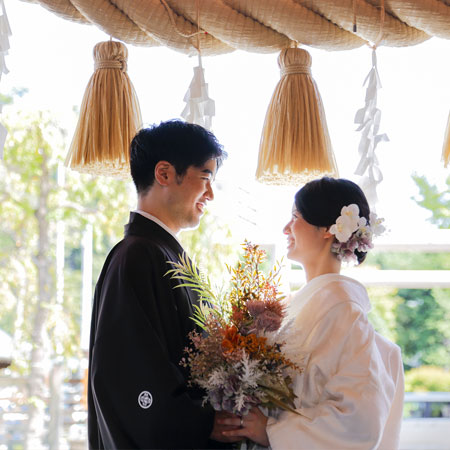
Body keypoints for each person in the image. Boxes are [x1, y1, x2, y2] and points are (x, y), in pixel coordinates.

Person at [221, 177, 405, 449]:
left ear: (328, 229)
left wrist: (273, 431)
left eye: (295, 216)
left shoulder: (343, 311)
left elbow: (360, 421)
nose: (286, 228)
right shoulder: (303, 304)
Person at [88, 120, 239, 449]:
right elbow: (129, 375)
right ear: (165, 174)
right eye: (205, 178)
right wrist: (202, 422)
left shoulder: (162, 253)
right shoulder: (136, 256)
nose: (210, 194)